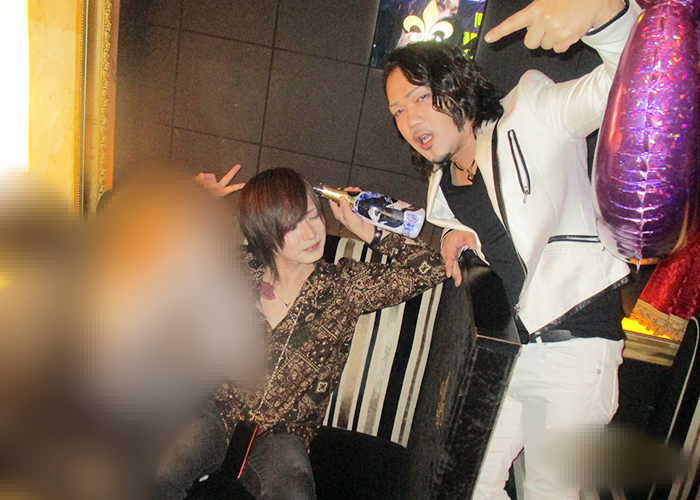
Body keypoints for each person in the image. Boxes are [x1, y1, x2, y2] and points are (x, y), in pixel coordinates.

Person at [382, 0, 641, 498]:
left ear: (455, 85)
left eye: (420, 97)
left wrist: (605, 15)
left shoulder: (533, 113)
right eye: (398, 111)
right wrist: (455, 235)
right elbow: (487, 228)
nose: (409, 119)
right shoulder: (442, 185)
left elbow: (626, 83)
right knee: (466, 485)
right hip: (511, 351)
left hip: (575, 344)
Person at [153, 167, 446, 499]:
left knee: (294, 491)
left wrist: (367, 230)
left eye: (313, 217)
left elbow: (431, 268)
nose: (310, 233)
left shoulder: (344, 286)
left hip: (284, 432)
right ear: (263, 232)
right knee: (158, 472)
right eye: (291, 226)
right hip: (215, 410)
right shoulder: (235, 269)